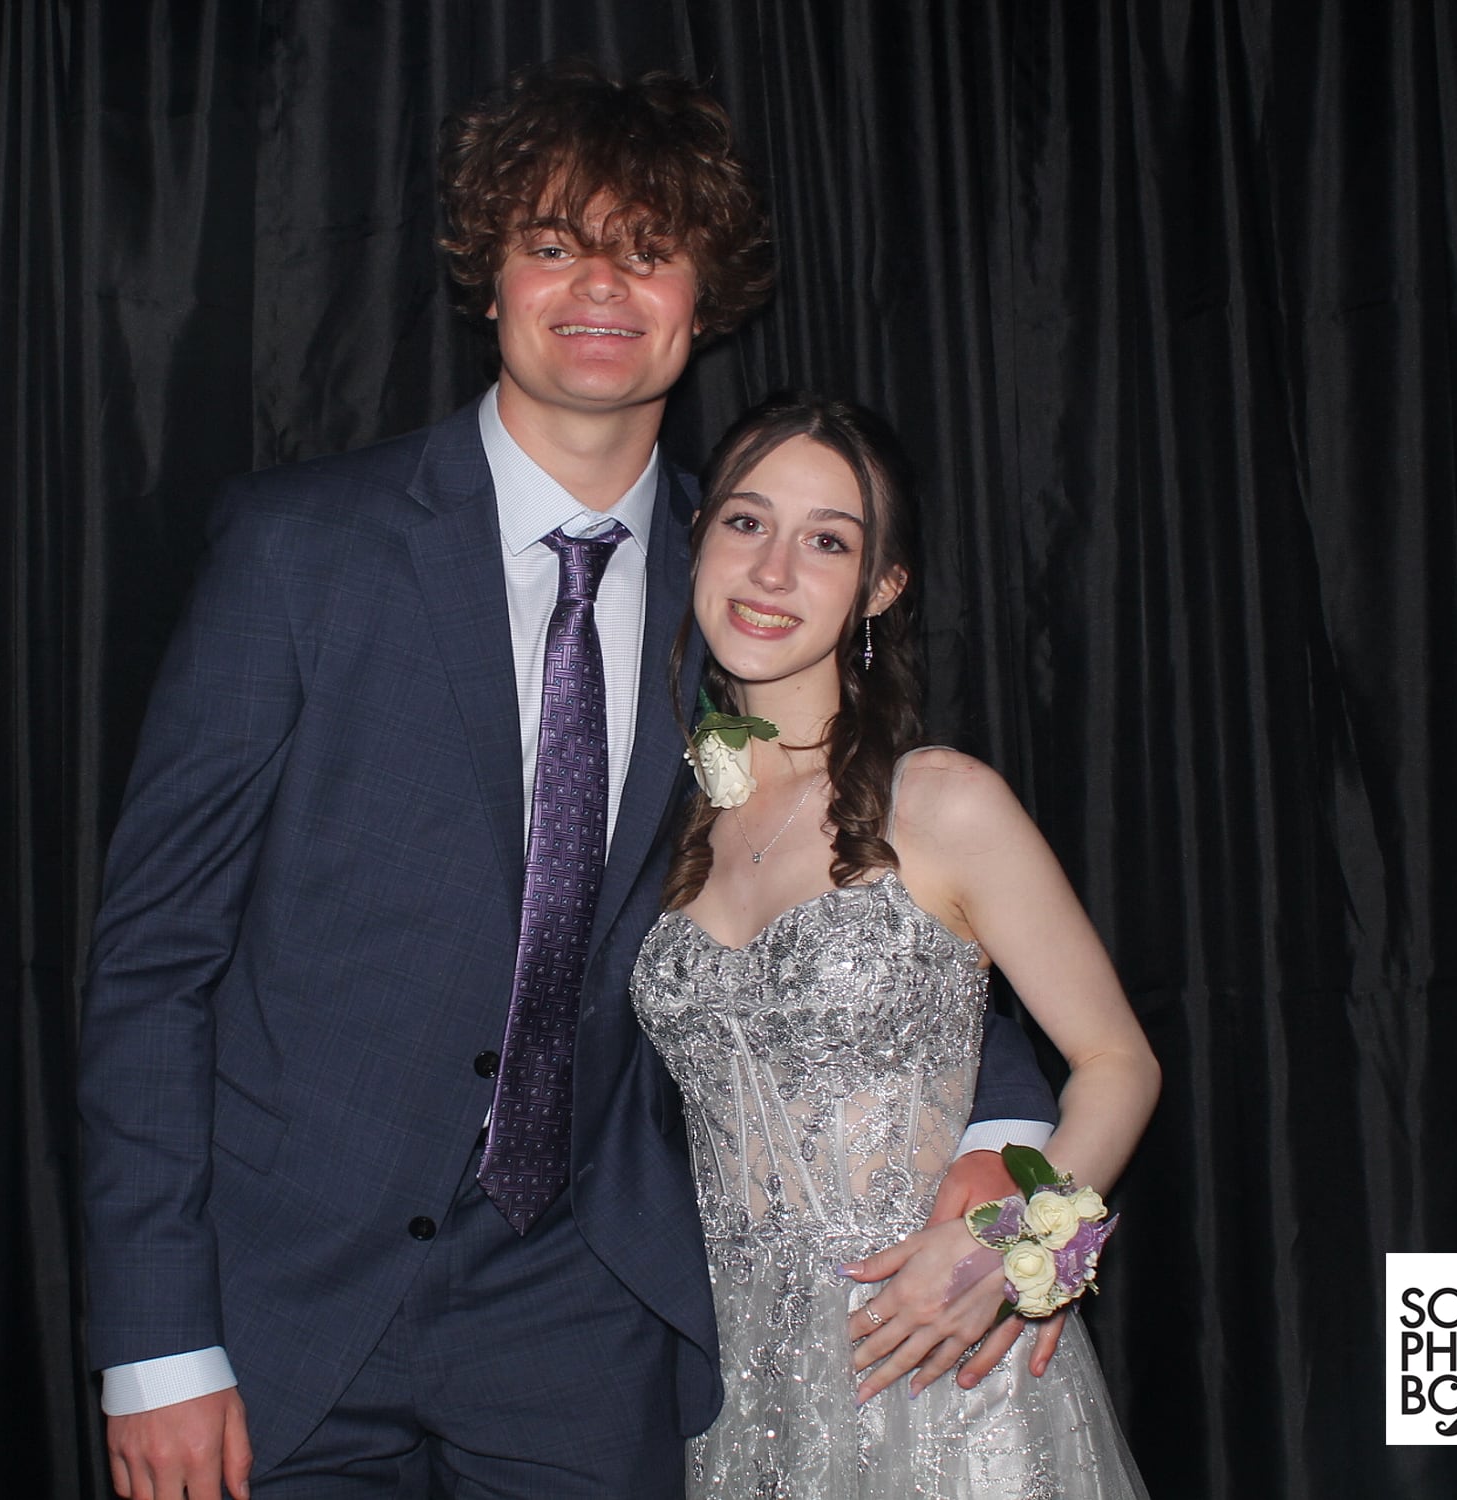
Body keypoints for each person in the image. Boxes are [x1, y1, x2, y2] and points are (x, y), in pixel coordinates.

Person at [78, 64, 1059, 1500]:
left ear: (704, 299)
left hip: (589, 1307)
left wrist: (1004, 1136)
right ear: (491, 279)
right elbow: (155, 961)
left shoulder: (745, 578)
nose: (601, 284)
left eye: (647, 249)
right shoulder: (300, 550)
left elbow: (885, 873)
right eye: (554, 243)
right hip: (281, 1303)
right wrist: (157, 1338)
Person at [632, 392, 1160, 1496]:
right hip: (734, 1385)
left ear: (881, 588)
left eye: (827, 541)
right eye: (746, 522)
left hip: (937, 1356)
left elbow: (1118, 1062)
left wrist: (1017, 1249)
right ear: (697, 540)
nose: (773, 569)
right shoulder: (663, 821)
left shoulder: (945, 802)